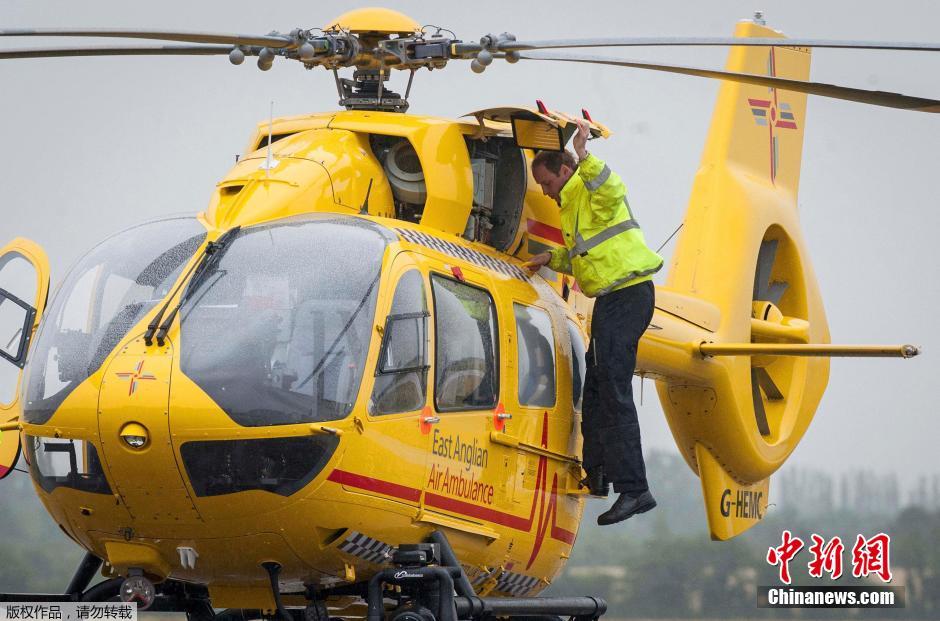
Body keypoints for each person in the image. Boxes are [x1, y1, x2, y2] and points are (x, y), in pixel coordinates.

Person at [524, 118, 664, 525]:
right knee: (599, 385)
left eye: (547, 184)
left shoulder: (589, 190)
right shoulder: (572, 206)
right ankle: (599, 471)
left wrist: (585, 153)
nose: (547, 194)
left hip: (628, 295)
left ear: (564, 171)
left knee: (614, 388)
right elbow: (589, 258)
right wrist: (553, 258)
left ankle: (635, 490)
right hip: (610, 299)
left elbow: (612, 187)